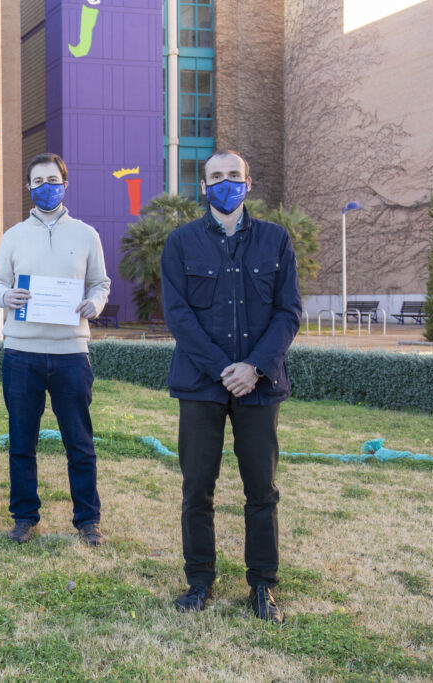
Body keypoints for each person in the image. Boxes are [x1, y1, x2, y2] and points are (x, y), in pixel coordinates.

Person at [161, 150, 301, 623]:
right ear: (203, 186)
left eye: (233, 176)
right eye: (216, 177)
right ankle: (199, 581)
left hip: (259, 387)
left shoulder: (276, 241)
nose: (225, 184)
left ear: (249, 181)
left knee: (261, 490)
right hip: (201, 386)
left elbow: (289, 313)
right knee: (198, 487)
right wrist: (226, 368)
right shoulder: (180, 243)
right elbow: (178, 316)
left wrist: (255, 367)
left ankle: (262, 586)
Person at [0, 153, 111, 546]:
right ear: (29, 187)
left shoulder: (87, 234)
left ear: (65, 182)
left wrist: (96, 303)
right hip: (22, 352)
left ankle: (87, 521)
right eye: (38, 181)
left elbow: (101, 283)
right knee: (22, 441)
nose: (46, 187)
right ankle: (24, 517)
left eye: (53, 179)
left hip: (71, 353)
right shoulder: (13, 236)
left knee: (79, 441)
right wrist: (6, 295)